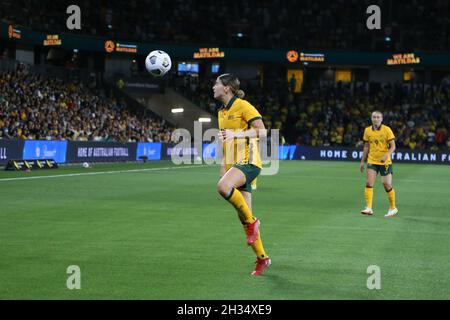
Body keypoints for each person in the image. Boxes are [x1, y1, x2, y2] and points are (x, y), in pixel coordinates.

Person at [213, 73, 271, 276]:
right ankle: (263, 258)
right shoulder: (221, 112)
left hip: (249, 161)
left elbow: (262, 132)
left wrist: (237, 134)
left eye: (217, 84)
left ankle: (253, 223)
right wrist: (224, 166)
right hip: (234, 163)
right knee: (244, 217)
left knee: (223, 188)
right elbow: (226, 142)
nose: (213, 87)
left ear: (227, 87)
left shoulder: (244, 106)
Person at [360, 111, 398, 217]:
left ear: (381, 119)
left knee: (386, 184)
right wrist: (363, 161)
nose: (375, 119)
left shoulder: (387, 130)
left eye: (378, 117)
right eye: (374, 117)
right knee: (368, 183)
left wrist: (387, 155)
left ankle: (393, 208)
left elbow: (393, 146)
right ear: (371, 118)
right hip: (372, 160)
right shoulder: (367, 130)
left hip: (385, 161)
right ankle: (369, 208)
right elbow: (366, 146)